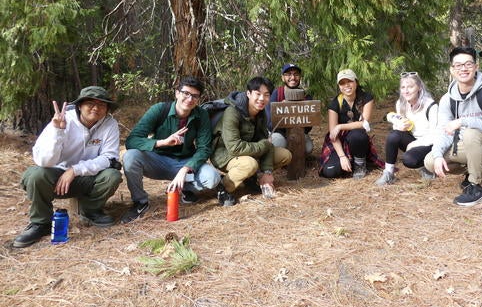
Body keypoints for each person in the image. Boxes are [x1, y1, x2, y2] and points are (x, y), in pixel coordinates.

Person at [14, 86, 122, 248]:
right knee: (36, 175)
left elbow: (109, 158)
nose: (96, 108)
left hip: (86, 177)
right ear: (79, 105)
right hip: (55, 178)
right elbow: (44, 161)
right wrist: (58, 131)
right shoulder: (63, 119)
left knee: (112, 175)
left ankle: (89, 211)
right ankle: (40, 223)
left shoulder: (109, 124)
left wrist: (75, 170)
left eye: (102, 104)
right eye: (90, 103)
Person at [121, 76, 221, 223]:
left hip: (184, 162)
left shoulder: (201, 115)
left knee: (212, 177)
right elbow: (132, 140)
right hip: (157, 161)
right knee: (130, 156)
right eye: (186, 93)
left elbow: (204, 148)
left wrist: (186, 168)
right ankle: (140, 202)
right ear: (177, 93)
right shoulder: (159, 110)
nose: (189, 99)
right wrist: (162, 142)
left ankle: (187, 189)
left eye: (194, 96)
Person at [424, 47, 482, 206]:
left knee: (470, 134)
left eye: (468, 64)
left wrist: (464, 121)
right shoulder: (447, 99)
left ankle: (478, 187)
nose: (463, 69)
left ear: (476, 67)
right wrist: (437, 154)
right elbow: (445, 131)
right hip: (467, 145)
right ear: (452, 70)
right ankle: (471, 172)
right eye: (458, 65)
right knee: (430, 160)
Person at [210, 76, 292, 205]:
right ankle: (223, 187)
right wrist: (263, 145)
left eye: (266, 95)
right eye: (258, 94)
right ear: (248, 93)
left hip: (247, 150)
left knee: (285, 155)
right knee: (250, 164)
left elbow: (267, 143)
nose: (261, 99)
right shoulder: (232, 112)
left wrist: (267, 171)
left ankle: (249, 178)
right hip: (224, 154)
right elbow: (235, 148)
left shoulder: (260, 112)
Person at [376, 72, 438, 186]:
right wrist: (399, 126)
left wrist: (414, 145)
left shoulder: (431, 106)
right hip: (413, 140)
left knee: (409, 160)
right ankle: (388, 173)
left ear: (419, 87)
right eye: (403, 87)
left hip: (430, 144)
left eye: (410, 87)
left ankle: (426, 166)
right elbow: (399, 123)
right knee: (393, 135)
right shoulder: (401, 104)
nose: (406, 91)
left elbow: (436, 136)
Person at [320, 69, 383, 179]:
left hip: (357, 139)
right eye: (342, 83)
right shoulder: (334, 104)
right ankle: (348, 160)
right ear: (339, 86)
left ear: (356, 82)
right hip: (339, 141)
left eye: (349, 81)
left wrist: (340, 126)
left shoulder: (366, 98)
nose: (346, 85)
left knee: (357, 135)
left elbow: (364, 124)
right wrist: (342, 156)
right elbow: (333, 135)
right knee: (330, 172)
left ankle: (360, 164)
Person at [267, 63, 314, 154]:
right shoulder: (277, 93)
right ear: (283, 78)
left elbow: (309, 126)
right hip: (279, 133)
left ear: (300, 77)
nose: (293, 78)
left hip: (299, 132)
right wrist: (283, 111)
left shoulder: (306, 96)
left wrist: (299, 111)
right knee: (279, 143)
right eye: (288, 74)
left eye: (296, 74)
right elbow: (269, 122)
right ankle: (282, 159)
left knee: (308, 148)